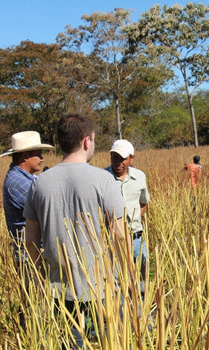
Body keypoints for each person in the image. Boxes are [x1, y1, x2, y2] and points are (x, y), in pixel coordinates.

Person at [24, 113, 126, 348]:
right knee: (111, 340)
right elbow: (119, 235)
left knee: (69, 343)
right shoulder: (103, 180)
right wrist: (123, 276)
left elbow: (30, 241)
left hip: (58, 287)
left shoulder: (39, 183)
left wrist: (41, 279)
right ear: (86, 141)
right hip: (101, 283)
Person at [105, 139, 150, 297]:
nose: (118, 162)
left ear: (132, 158)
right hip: (114, 240)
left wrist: (134, 220)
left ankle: (142, 314)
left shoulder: (140, 177)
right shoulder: (103, 178)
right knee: (118, 282)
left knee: (142, 278)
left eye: (122, 158)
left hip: (137, 237)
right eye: (114, 157)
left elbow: (143, 203)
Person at [0, 131, 54, 261]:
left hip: (32, 253)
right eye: (39, 155)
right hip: (30, 257)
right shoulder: (19, 183)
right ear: (25, 156)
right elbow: (49, 207)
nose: (42, 159)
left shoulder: (23, 178)